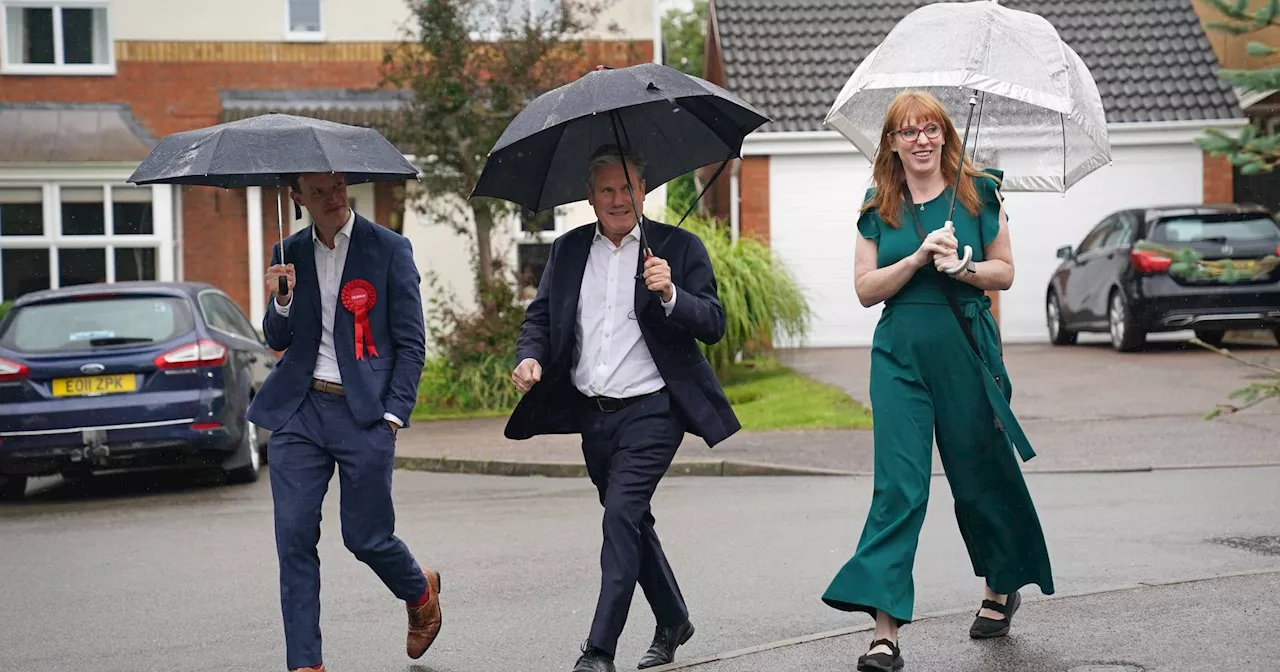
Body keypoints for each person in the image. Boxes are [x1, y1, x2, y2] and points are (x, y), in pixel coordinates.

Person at [820, 90, 1054, 672]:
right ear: (892, 143)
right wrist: (920, 259)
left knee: (979, 477)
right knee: (900, 488)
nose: (921, 140)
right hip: (900, 357)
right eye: (908, 131)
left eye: (931, 130)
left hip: (966, 353)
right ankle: (884, 632)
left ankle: (1000, 588)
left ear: (946, 136)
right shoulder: (880, 203)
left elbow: (1004, 271)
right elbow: (865, 289)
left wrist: (963, 268)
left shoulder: (979, 191)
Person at [506, 144, 740, 672]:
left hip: (655, 411)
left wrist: (673, 295)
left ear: (644, 189)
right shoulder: (566, 253)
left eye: (628, 187)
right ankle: (674, 618)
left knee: (619, 519)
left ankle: (598, 650)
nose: (619, 198)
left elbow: (714, 322)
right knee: (632, 522)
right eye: (607, 189)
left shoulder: (678, 248)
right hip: (594, 415)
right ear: (590, 197)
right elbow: (539, 321)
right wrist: (529, 359)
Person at [247, 172, 442, 672]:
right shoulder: (286, 251)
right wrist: (283, 297)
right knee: (292, 535)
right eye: (317, 192)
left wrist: (395, 414)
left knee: (365, 536)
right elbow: (276, 336)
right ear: (296, 198)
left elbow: (411, 342)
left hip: (366, 411)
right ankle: (305, 665)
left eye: (337, 187)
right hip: (299, 409)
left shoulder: (389, 249)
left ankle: (419, 591)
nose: (332, 198)